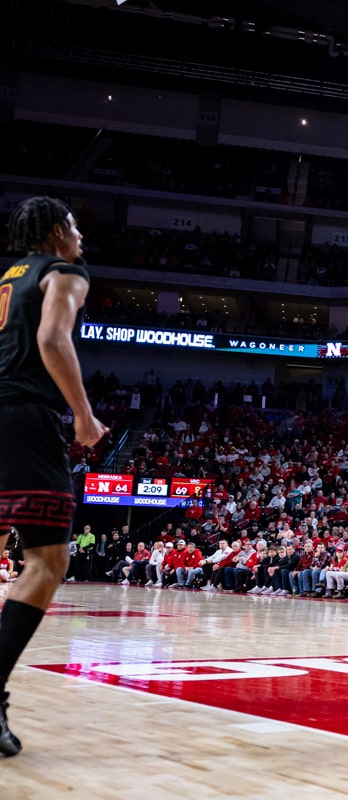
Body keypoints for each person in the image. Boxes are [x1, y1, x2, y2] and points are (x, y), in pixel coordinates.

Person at [0, 196, 108, 757]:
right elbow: (51, 340)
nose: (81, 237)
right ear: (56, 232)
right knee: (47, 560)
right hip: (23, 416)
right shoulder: (64, 272)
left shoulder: (6, 278)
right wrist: (84, 417)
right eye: (74, 226)